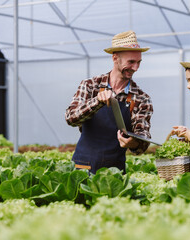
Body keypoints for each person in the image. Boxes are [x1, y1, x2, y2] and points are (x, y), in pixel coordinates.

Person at [65, 30, 153, 174]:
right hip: (83, 167)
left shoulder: (141, 98)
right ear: (115, 58)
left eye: (138, 62)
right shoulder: (90, 85)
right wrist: (97, 101)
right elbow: (71, 118)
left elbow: (142, 140)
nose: (135, 68)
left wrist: (134, 143)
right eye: (131, 62)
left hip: (114, 172)